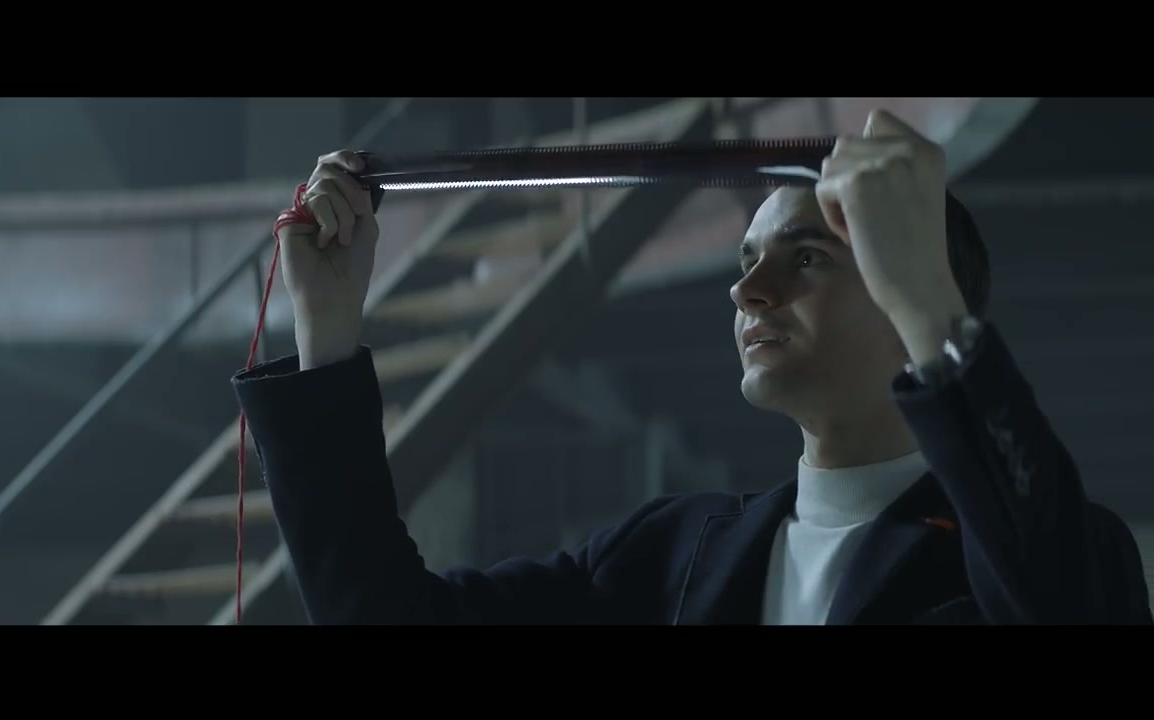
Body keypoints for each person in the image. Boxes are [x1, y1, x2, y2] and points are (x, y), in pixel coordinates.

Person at [232, 108, 1152, 624]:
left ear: (907, 282)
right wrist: (328, 329)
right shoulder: (664, 554)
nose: (747, 291)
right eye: (746, 261)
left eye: (805, 258)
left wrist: (936, 316)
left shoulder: (1060, 552)